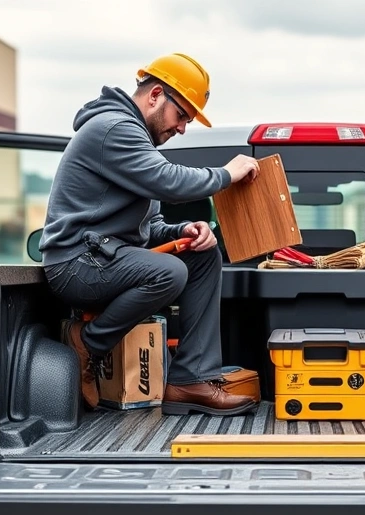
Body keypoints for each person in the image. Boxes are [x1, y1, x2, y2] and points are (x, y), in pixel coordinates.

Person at [38, 53, 260, 416]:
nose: (183, 128)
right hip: (76, 263)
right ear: (156, 95)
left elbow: (149, 228)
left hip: (108, 258)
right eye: (182, 116)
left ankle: (189, 380)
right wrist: (225, 174)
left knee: (202, 256)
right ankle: (87, 343)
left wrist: (184, 231)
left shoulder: (139, 142)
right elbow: (169, 182)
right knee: (169, 272)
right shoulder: (114, 128)